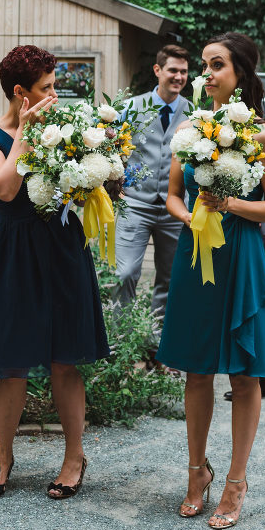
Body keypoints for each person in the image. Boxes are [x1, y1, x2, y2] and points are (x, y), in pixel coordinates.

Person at [0, 45, 110, 500]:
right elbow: (3, 188)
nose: (55, 97)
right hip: (16, 253)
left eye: (55, 87)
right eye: (46, 89)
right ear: (21, 94)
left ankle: (73, 457)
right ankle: (2, 456)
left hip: (62, 248)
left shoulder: (67, 130)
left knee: (66, 358)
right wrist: (25, 131)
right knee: (12, 362)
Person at [156, 32, 265, 530]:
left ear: (241, 74)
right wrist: (190, 218)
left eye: (217, 66)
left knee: (244, 372)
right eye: (204, 66)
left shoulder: (264, 135)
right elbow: (172, 195)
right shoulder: (188, 132)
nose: (205, 75)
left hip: (242, 257)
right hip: (196, 255)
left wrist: (228, 205)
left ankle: (236, 480)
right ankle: (196, 473)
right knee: (195, 369)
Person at [113, 45, 190, 322]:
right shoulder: (132, 107)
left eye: (183, 71)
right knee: (124, 273)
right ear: (158, 70)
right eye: (173, 70)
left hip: (175, 209)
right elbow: (106, 141)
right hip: (135, 203)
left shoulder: (192, 113)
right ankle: (122, 339)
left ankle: (159, 346)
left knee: (170, 279)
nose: (179, 77)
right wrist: (115, 184)